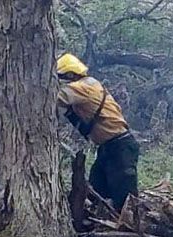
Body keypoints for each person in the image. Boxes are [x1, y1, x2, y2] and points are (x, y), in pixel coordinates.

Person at [56, 53, 139, 210]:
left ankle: (128, 229)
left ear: (70, 74)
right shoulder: (90, 83)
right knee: (96, 192)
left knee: (124, 198)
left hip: (120, 148)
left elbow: (56, 98)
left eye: (61, 77)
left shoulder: (80, 87)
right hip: (109, 147)